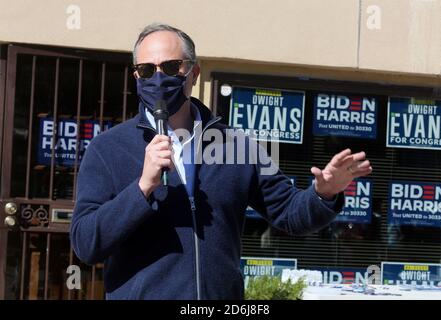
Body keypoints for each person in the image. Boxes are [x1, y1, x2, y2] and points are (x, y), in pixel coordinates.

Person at [70, 23, 372, 300]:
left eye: (171, 67)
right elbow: (86, 243)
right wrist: (141, 188)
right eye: (147, 70)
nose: (158, 78)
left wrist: (324, 193)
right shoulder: (107, 149)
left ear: (194, 73)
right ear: (136, 76)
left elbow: (289, 213)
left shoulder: (237, 146)